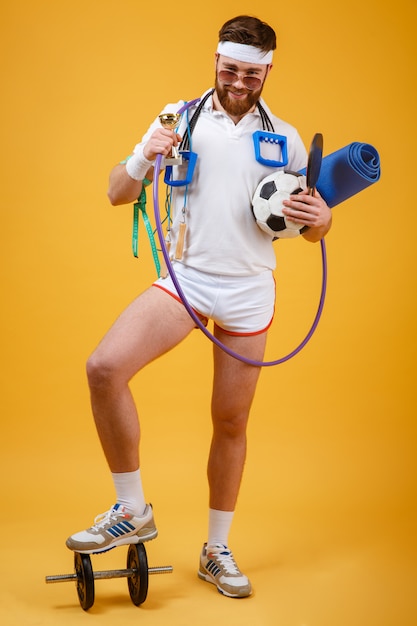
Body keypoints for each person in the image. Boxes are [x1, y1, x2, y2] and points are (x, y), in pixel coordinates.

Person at [66, 15, 332, 598]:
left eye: (251, 72)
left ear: (267, 71)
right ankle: (131, 508)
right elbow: (117, 191)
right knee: (104, 369)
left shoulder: (285, 137)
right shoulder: (178, 118)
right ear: (215, 61)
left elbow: (305, 230)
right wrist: (143, 159)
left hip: (249, 289)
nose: (238, 82)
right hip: (186, 279)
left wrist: (323, 220)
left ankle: (216, 550)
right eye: (230, 68)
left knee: (231, 421)